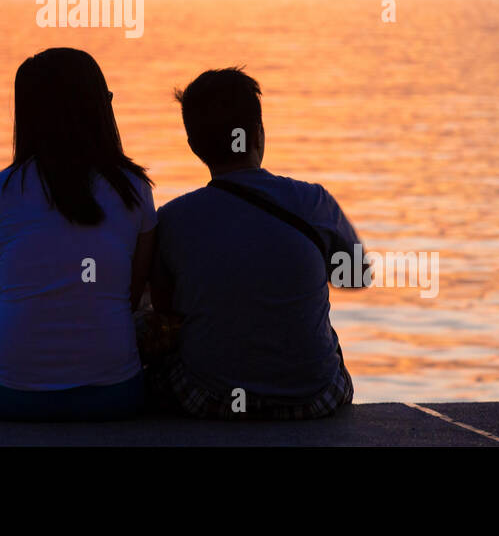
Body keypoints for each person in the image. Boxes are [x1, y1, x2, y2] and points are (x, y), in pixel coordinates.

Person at [148, 67, 364, 419]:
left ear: (193, 146)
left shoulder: (171, 220)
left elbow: (165, 308)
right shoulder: (313, 202)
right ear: (259, 134)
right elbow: (356, 277)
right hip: (313, 399)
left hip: (211, 398)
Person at [0, 48, 156, 420]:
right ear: (98, 110)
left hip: (11, 394)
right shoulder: (134, 189)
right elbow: (130, 298)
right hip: (114, 394)